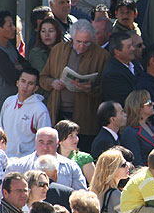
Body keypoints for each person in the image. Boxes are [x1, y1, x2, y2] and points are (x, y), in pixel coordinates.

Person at [39, 20, 109, 151]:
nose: (82, 46)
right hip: (58, 112)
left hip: (85, 116)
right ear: (72, 37)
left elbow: (106, 89)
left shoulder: (102, 55)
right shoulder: (58, 50)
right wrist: (53, 83)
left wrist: (89, 89)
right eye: (78, 42)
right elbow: (43, 78)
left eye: (86, 42)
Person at [0, 10, 31, 124]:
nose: (14, 28)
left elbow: (26, 65)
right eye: (9, 25)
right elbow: (13, 76)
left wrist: (19, 67)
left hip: (11, 107)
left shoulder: (8, 45)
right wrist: (17, 68)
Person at [5, 127, 87, 191]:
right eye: (41, 142)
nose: (45, 147)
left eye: (49, 143)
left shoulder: (72, 167)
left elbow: (81, 195)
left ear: (57, 143)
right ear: (35, 142)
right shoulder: (17, 167)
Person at [0, 67, 50, 159]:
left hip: (27, 161)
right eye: (23, 81)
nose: (25, 86)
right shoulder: (8, 102)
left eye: (30, 84)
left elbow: (45, 139)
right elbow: (1, 129)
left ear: (36, 88)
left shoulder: (41, 110)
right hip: (5, 158)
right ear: (17, 83)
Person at [54, 119, 94, 184]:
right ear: (60, 140)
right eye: (71, 136)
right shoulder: (52, 158)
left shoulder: (84, 158)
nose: (76, 139)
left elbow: (95, 186)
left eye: (76, 135)